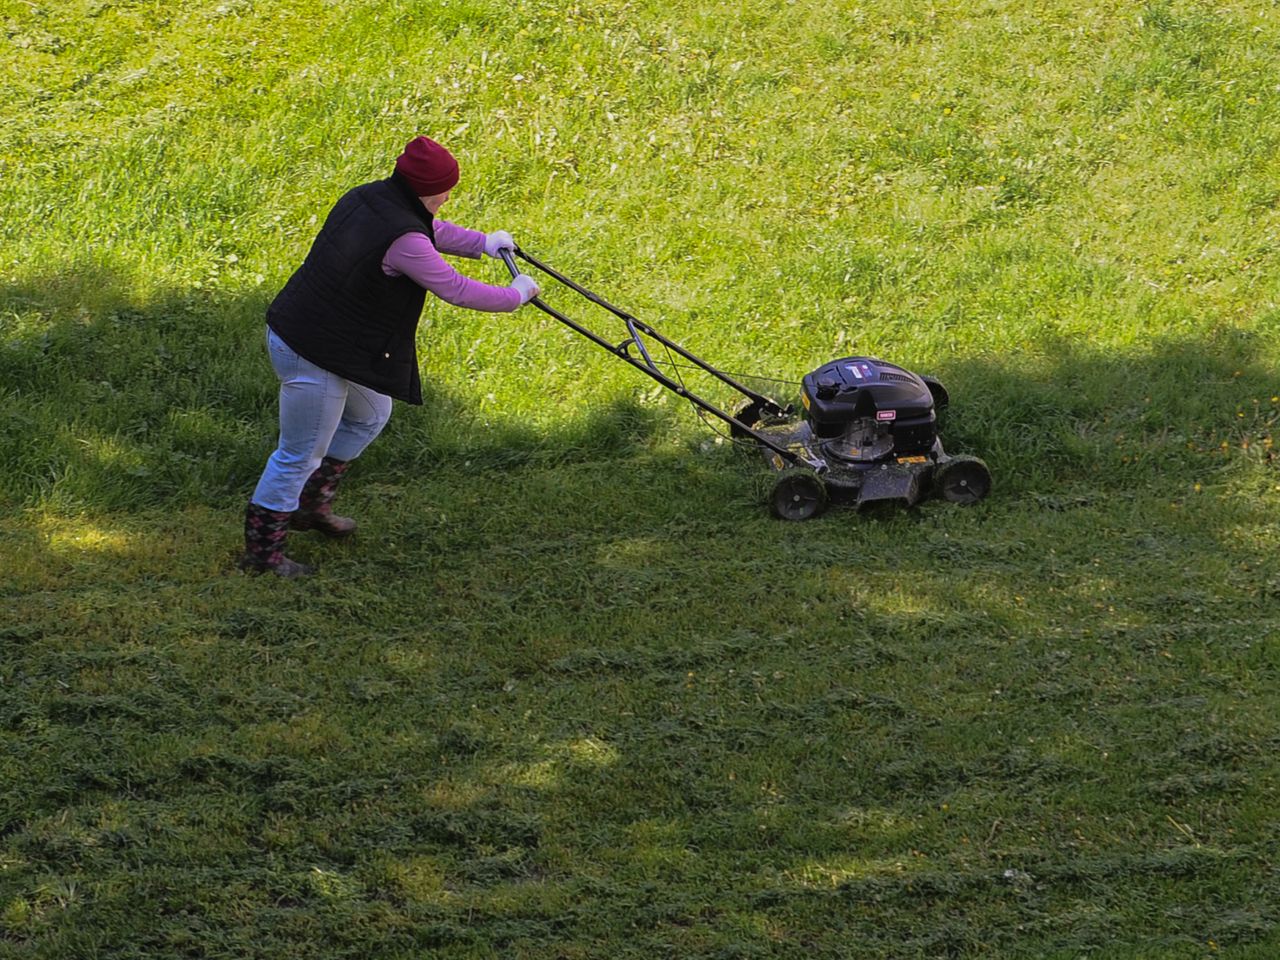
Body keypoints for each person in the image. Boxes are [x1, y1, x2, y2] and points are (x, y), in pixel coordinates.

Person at [240, 135, 540, 577]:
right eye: (445, 190)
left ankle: (309, 507)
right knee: (298, 454)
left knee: (370, 414)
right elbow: (454, 288)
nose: (448, 197)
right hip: (313, 349)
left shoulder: (370, 198)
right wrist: (514, 296)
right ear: (427, 189)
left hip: (331, 338)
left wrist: (482, 243)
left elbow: (427, 229)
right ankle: (263, 557)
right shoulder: (403, 238)